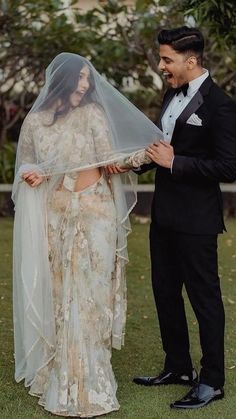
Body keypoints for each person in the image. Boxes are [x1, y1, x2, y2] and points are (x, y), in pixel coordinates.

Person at [12, 53, 162, 417]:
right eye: (79, 79)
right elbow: (29, 163)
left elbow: (111, 160)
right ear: (61, 81)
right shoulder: (35, 123)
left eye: (86, 79)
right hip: (57, 213)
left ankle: (92, 379)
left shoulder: (93, 115)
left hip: (96, 212)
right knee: (62, 295)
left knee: (91, 294)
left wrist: (145, 155)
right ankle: (62, 375)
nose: (84, 85)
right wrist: (32, 173)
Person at [130, 26, 236, 409]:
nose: (161, 66)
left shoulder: (220, 105)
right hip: (164, 217)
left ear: (191, 61)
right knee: (164, 293)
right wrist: (136, 163)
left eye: (167, 59)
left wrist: (177, 162)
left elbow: (228, 166)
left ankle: (212, 381)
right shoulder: (171, 94)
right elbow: (162, 145)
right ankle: (178, 367)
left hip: (197, 221)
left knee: (205, 299)